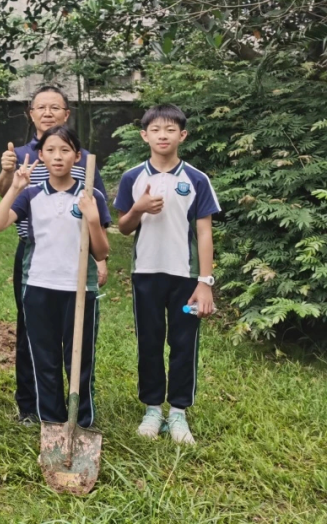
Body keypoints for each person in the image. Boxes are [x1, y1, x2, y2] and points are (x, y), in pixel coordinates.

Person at [0, 85, 108, 424]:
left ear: (77, 154)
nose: (58, 156)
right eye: (40, 107)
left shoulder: (89, 183)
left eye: (66, 150)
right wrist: (13, 180)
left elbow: (101, 241)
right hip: (38, 270)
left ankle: (80, 420)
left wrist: (95, 233)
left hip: (78, 279)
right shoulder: (27, 177)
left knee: (79, 354)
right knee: (38, 348)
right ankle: (42, 415)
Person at [114, 105, 219, 446]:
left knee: (184, 342)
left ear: (182, 136)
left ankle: (178, 412)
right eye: (155, 129)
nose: (163, 135)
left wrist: (205, 282)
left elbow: (204, 233)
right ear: (144, 135)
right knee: (149, 340)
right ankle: (152, 408)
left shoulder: (196, 179)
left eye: (170, 130)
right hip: (145, 273)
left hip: (185, 277)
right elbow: (124, 227)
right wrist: (138, 209)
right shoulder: (133, 178)